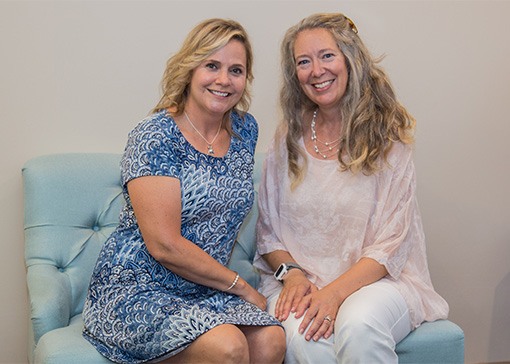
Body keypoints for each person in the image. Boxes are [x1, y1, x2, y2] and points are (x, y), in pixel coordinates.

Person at [82, 18, 285, 364]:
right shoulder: (154, 135)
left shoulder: (244, 130)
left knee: (272, 341)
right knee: (228, 347)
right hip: (136, 290)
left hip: (203, 290)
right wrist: (241, 286)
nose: (223, 80)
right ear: (190, 68)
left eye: (236, 70)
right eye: (212, 65)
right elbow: (165, 245)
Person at [254, 12, 449, 363]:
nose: (316, 71)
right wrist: (293, 274)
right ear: (294, 74)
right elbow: (269, 234)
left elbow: (391, 243)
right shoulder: (287, 136)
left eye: (327, 56)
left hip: (380, 283)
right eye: (303, 62)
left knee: (357, 324)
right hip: (303, 281)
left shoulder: (388, 136)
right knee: (304, 337)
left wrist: (334, 294)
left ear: (350, 58)